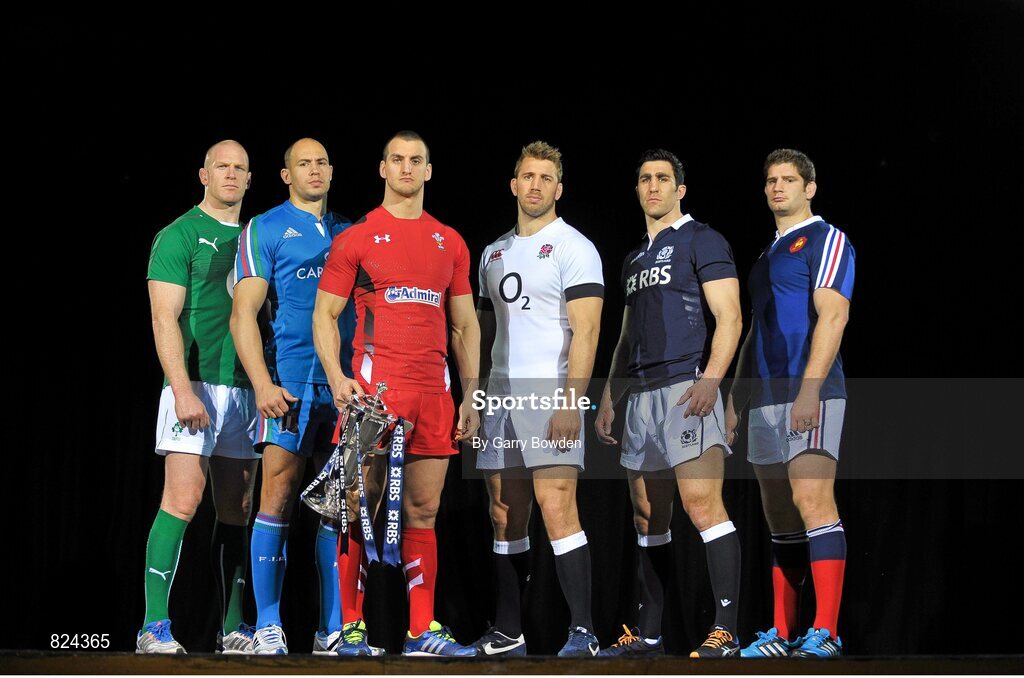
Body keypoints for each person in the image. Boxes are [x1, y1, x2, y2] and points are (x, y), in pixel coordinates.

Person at [313, 130, 481, 657]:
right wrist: (339, 380)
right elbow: (325, 314)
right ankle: (351, 629)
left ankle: (421, 631)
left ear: (429, 170)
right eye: (398, 160)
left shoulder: (449, 240)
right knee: (355, 505)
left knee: (423, 511)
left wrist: (472, 393)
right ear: (382, 169)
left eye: (417, 161)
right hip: (373, 396)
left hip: (433, 395)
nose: (407, 168)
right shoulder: (357, 237)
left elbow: (465, 327)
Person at [596, 149, 744, 658]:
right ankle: (651, 634)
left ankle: (726, 630)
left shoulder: (702, 238)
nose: (653, 186)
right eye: (644, 179)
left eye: (662, 179)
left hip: (687, 388)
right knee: (646, 516)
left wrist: (712, 381)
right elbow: (625, 333)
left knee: (702, 506)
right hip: (639, 396)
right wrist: (610, 397)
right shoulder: (635, 257)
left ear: (681, 188)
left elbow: (730, 318)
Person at [471, 141, 604, 658]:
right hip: (499, 395)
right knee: (505, 511)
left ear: (558, 188)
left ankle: (585, 632)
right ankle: (508, 632)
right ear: (514, 184)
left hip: (549, 393)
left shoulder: (574, 246)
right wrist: (475, 397)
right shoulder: (493, 252)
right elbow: (482, 333)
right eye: (527, 176)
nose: (535, 186)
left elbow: (587, 332)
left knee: (557, 506)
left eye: (545, 178)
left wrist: (572, 401)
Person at [230, 138, 357, 655]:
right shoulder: (263, 227)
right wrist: (262, 383)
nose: (314, 169)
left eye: (323, 161)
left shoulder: (353, 230)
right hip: (289, 384)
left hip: (345, 389)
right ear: (286, 175)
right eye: (303, 163)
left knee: (336, 508)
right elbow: (244, 314)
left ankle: (333, 629)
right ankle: (267, 625)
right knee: (277, 498)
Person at [728, 148, 854, 659]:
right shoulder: (765, 255)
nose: (778, 187)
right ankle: (782, 634)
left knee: (812, 502)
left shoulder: (825, 238)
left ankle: (825, 632)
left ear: (810, 188)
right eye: (771, 180)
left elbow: (833, 317)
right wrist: (736, 400)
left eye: (789, 180)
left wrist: (808, 390)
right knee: (779, 514)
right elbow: (755, 328)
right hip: (765, 400)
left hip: (813, 392)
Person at [139, 140, 260, 655]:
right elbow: (163, 317)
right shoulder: (180, 234)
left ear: (251, 180)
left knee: (238, 508)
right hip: (195, 386)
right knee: (183, 501)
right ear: (204, 175)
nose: (230, 175)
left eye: (239, 169)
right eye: (221, 167)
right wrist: (182, 387)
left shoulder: (260, 236)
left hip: (247, 389)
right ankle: (153, 626)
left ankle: (233, 628)